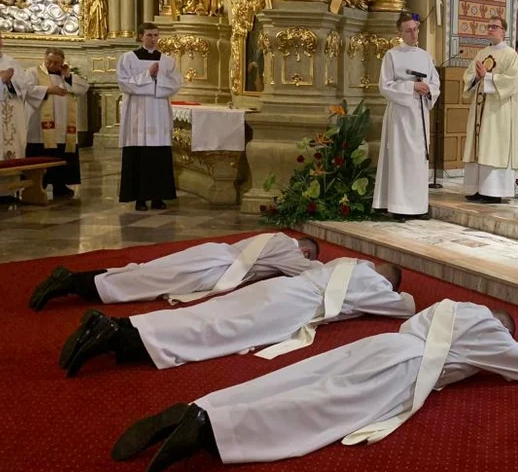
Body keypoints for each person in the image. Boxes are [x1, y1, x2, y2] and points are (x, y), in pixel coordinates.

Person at [113, 300, 518, 472]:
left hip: (379, 344)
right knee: (323, 404)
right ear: (502, 325)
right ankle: (210, 430)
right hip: (403, 368)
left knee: (292, 377)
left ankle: (194, 409)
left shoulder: (448, 307)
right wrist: (508, 343)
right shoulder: (492, 332)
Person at [58, 258, 414, 377]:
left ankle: (120, 324)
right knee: (219, 331)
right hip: (292, 307)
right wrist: (396, 289)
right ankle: (119, 338)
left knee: (208, 312)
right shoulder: (375, 285)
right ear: (387, 279)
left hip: (281, 288)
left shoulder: (342, 264)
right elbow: (404, 306)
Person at [29, 232, 319, 311]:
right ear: (304, 251)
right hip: (214, 268)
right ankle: (71, 283)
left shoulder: (274, 236)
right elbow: (309, 272)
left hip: (212, 254)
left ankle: (74, 279)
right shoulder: (287, 248)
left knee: (147, 271)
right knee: (145, 281)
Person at [372, 11, 440, 220]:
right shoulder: (392, 55)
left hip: (419, 115)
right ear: (400, 33)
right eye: (408, 30)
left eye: (415, 29)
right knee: (401, 160)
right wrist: (412, 86)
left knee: (418, 161)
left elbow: (435, 84)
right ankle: (399, 206)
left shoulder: (425, 56)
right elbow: (385, 86)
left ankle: (418, 207)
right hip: (401, 116)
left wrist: (427, 89)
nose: (413, 34)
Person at [118, 22, 183, 212]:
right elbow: (124, 84)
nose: (153, 39)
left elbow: (176, 84)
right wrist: (148, 75)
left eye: (156, 35)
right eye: (149, 35)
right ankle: (139, 198)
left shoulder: (167, 61)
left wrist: (157, 79)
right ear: (140, 36)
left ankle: (157, 197)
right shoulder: (128, 58)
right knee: (139, 154)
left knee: (158, 155)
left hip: (158, 112)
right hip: (137, 113)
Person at [463, 16, 518, 203]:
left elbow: (512, 81)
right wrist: (477, 78)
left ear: (503, 31)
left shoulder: (511, 54)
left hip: (499, 110)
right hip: (481, 107)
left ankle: (493, 191)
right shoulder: (481, 53)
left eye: (495, 27)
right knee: (479, 146)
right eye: (488, 26)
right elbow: (469, 76)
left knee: (493, 145)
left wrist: (487, 77)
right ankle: (478, 188)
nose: (490, 29)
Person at [23, 47, 90, 198]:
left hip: (63, 125)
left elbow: (83, 88)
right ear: (44, 59)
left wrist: (67, 76)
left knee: (62, 154)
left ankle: (61, 185)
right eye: (49, 61)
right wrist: (48, 90)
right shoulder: (33, 72)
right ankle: (38, 185)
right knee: (41, 154)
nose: (52, 65)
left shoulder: (67, 75)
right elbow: (26, 90)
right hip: (40, 126)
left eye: (56, 62)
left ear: (62, 62)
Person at [0, 32, 30, 161]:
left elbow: (24, 85)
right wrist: (1, 79)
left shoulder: (10, 61)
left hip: (12, 112)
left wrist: (9, 82)